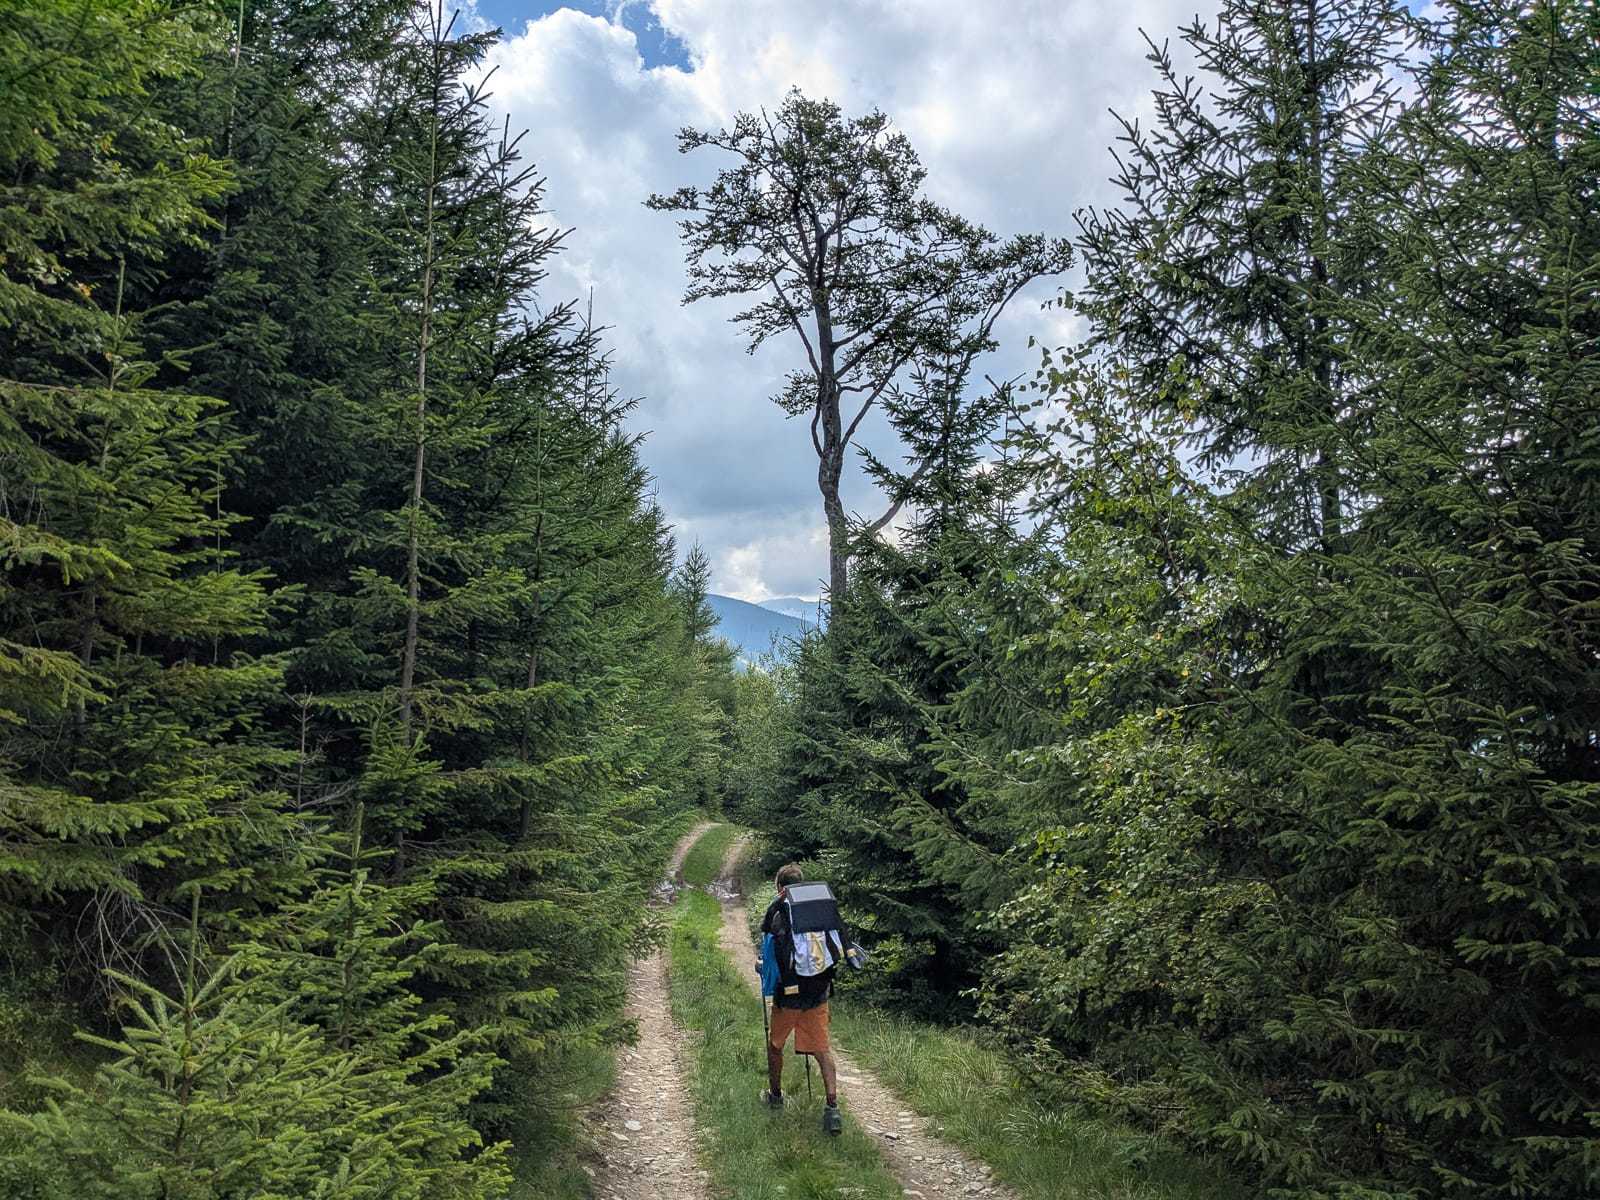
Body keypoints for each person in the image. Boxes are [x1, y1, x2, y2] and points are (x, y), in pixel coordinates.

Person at [760, 863, 843, 1134]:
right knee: (822, 1050)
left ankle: (775, 1096)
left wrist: (763, 970)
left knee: (776, 1045)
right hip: (818, 991)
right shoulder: (820, 908)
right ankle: (832, 1108)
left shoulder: (779, 911)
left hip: (789, 994)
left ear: (780, 887)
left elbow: (771, 954)